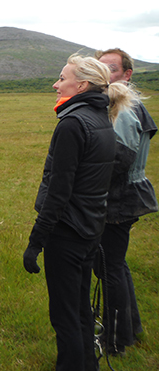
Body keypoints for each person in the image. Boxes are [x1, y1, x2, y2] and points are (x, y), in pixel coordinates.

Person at [23, 53, 135, 371]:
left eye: (62, 78)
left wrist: (36, 243)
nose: (56, 84)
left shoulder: (72, 123)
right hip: (90, 231)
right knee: (81, 308)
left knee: (65, 316)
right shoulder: (101, 117)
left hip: (67, 234)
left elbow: (58, 194)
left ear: (81, 84)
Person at [94, 48, 157, 355]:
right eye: (100, 68)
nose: (105, 74)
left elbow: (118, 161)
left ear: (127, 74)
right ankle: (131, 327)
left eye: (112, 69)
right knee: (117, 265)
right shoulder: (130, 105)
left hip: (118, 198)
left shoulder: (123, 109)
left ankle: (115, 340)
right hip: (127, 193)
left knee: (110, 268)